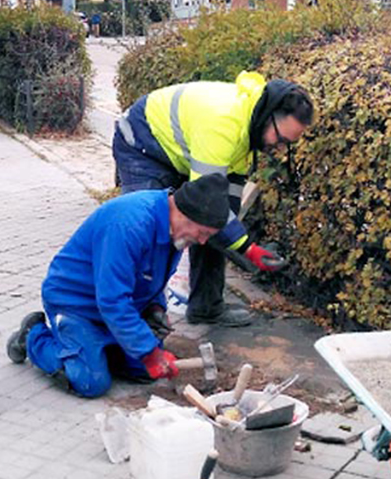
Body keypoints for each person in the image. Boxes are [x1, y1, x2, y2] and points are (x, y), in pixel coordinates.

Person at [113, 71, 313, 326]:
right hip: (142, 144)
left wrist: (239, 241)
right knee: (151, 230)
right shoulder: (223, 124)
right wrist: (247, 249)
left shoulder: (249, 130)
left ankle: (206, 308)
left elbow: (221, 210)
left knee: (210, 225)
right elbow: (206, 206)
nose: (280, 148)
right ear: (268, 117)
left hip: (180, 154)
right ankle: (134, 319)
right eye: (281, 139)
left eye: (288, 144)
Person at [5, 175, 230, 398]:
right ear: (186, 214)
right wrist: (149, 353)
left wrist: (155, 309)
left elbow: (150, 277)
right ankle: (33, 336)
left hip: (113, 303)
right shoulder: (129, 224)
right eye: (203, 233)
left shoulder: (175, 229)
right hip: (76, 303)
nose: (201, 241)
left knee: (145, 371)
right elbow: (112, 300)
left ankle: (100, 349)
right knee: (91, 381)